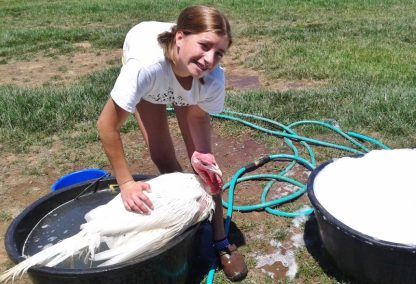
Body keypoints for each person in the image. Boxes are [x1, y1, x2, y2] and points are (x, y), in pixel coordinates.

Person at [97, 5, 248, 282]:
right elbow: (107, 127)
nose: (209, 59)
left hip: (189, 84)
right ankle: (182, 228)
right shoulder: (145, 67)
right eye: (204, 45)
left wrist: (201, 160)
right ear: (180, 37)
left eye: (219, 53)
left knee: (207, 169)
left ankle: (220, 240)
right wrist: (126, 182)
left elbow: (198, 116)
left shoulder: (211, 78)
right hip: (154, 76)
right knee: (162, 154)